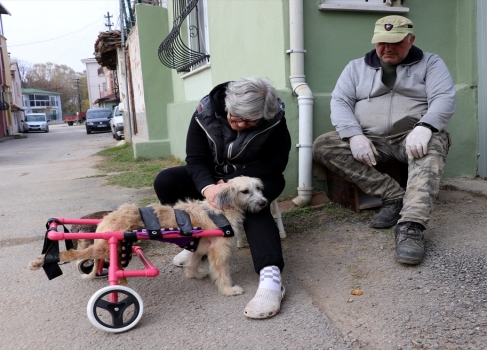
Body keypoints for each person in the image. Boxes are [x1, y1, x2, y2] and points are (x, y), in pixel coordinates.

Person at [313, 15, 455, 265]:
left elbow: (444, 98)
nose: (387, 48)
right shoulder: (355, 67)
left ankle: (412, 226)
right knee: (323, 145)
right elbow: (340, 102)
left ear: (411, 39)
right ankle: (392, 195)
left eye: (395, 42)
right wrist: (353, 134)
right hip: (370, 139)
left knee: (433, 144)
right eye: (381, 43)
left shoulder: (431, 63)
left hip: (410, 137)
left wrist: (426, 126)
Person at [153, 77, 291, 319]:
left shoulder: (274, 119)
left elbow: (274, 163)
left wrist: (233, 183)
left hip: (257, 178)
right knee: (166, 180)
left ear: (264, 115)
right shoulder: (204, 113)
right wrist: (208, 187)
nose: (239, 124)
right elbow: (196, 160)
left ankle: (270, 278)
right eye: (234, 117)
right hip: (212, 178)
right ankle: (197, 241)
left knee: (252, 204)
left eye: (249, 121)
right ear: (227, 103)